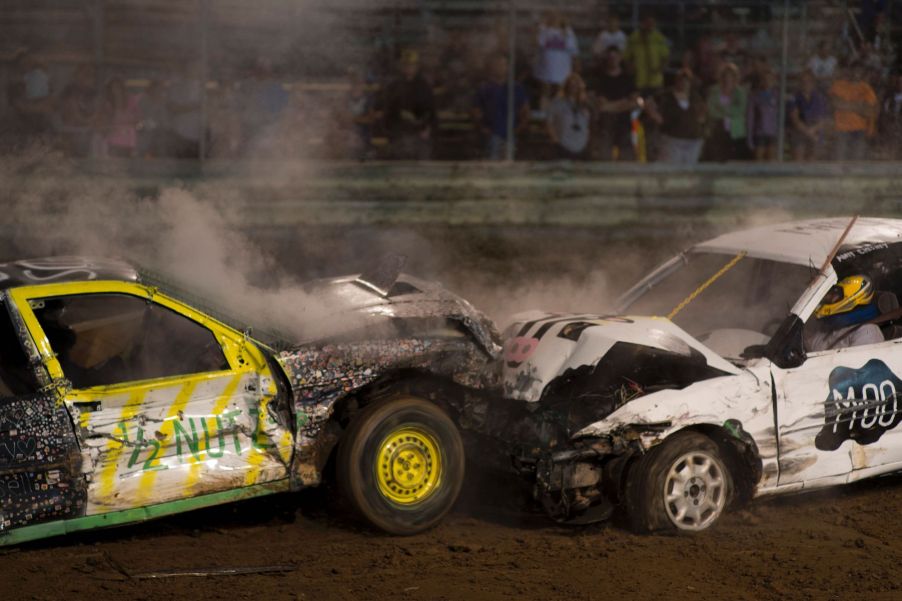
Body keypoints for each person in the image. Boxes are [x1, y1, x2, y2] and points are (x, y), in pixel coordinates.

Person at [381, 50, 436, 160]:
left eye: (411, 65)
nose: (408, 68)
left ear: (417, 66)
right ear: (401, 66)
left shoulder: (424, 86)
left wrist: (426, 128)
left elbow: (430, 111)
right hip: (399, 134)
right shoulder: (394, 86)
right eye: (406, 65)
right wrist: (391, 132)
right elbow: (388, 112)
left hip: (419, 133)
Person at [472, 54, 530, 161]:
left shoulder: (516, 88)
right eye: (497, 64)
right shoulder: (484, 88)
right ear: (492, 67)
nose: (500, 67)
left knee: (508, 163)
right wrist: (483, 128)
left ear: (507, 67)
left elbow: (525, 110)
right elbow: (476, 110)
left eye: (503, 64)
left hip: (511, 134)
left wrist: (519, 129)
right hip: (492, 134)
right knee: (492, 163)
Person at [805, 275, 884, 352]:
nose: (828, 298)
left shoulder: (867, 332)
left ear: (851, 298)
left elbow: (857, 364)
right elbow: (809, 347)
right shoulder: (831, 326)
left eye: (835, 294)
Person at [648, 68, 706, 164]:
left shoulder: (694, 96)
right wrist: (656, 116)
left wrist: (701, 118)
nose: (684, 83)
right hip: (672, 140)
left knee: (689, 172)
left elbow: (702, 110)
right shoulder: (666, 96)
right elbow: (649, 103)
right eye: (681, 80)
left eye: (687, 81)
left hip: (692, 141)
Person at [595, 45, 638, 161]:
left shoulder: (628, 78)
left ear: (620, 58)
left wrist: (611, 106)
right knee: (604, 156)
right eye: (610, 57)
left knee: (627, 158)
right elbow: (601, 106)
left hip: (624, 123)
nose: (613, 60)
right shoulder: (600, 79)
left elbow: (634, 103)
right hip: (606, 124)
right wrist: (623, 103)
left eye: (615, 57)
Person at [829, 61, 877, 161]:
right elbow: (835, 104)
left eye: (859, 70)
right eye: (854, 70)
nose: (856, 72)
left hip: (859, 130)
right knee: (840, 161)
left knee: (857, 161)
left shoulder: (866, 89)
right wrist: (858, 107)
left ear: (862, 73)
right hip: (841, 129)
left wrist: (845, 104)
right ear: (849, 71)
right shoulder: (838, 85)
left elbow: (869, 112)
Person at [704, 62, 747, 161]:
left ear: (735, 77)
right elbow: (710, 109)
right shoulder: (713, 90)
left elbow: (740, 110)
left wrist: (722, 109)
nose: (727, 78)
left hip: (735, 130)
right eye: (725, 75)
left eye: (731, 76)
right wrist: (725, 114)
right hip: (717, 130)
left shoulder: (740, 92)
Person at [533, 11, 579, 106]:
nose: (554, 19)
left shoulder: (568, 31)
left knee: (560, 92)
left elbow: (573, 50)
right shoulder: (543, 30)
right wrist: (537, 29)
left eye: (557, 16)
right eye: (551, 16)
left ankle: (559, 113)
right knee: (545, 92)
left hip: (562, 69)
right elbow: (536, 44)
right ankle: (544, 114)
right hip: (546, 68)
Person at [58, 64, 101, 157]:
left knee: (85, 159)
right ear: (77, 75)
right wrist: (88, 121)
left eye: (90, 75)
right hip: (71, 132)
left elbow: (97, 111)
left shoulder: (93, 93)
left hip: (87, 133)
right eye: (84, 74)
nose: (87, 77)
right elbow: (72, 114)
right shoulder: (69, 91)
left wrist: (91, 121)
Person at [546, 72, 591, 160]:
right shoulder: (557, 103)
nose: (573, 88)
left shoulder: (585, 105)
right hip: (564, 145)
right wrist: (555, 141)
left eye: (576, 86)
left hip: (581, 145)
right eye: (571, 85)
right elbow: (549, 122)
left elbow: (589, 124)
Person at [624, 12, 670, 96]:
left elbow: (666, 57)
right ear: (642, 23)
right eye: (647, 22)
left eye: (652, 23)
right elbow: (627, 57)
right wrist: (630, 67)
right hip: (639, 80)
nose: (650, 25)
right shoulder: (633, 38)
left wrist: (660, 68)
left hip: (655, 81)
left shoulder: (659, 38)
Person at [788, 69, 830, 161]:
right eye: (803, 81)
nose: (806, 83)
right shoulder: (794, 97)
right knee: (798, 159)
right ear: (799, 82)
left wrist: (813, 130)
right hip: (800, 131)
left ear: (813, 82)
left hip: (815, 130)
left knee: (813, 159)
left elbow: (823, 119)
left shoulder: (820, 97)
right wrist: (809, 133)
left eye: (808, 81)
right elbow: (794, 119)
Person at [167, 63, 204, 159]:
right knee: (180, 163)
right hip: (180, 133)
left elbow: (208, 108)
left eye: (197, 68)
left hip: (198, 134)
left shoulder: (202, 87)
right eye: (192, 68)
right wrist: (195, 107)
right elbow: (172, 108)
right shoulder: (177, 87)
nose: (195, 71)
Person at [101, 77, 141, 158]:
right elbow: (106, 122)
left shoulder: (131, 100)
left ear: (122, 88)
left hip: (129, 140)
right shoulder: (108, 104)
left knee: (128, 163)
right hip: (113, 140)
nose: (116, 90)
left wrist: (131, 123)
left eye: (118, 87)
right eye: (113, 88)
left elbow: (138, 118)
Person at [746, 68, 779, 161]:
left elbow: (780, 115)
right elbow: (750, 118)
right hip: (759, 133)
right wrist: (749, 138)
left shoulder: (777, 95)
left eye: (770, 79)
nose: (768, 82)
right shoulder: (754, 96)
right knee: (759, 160)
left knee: (771, 161)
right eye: (765, 79)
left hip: (773, 133)